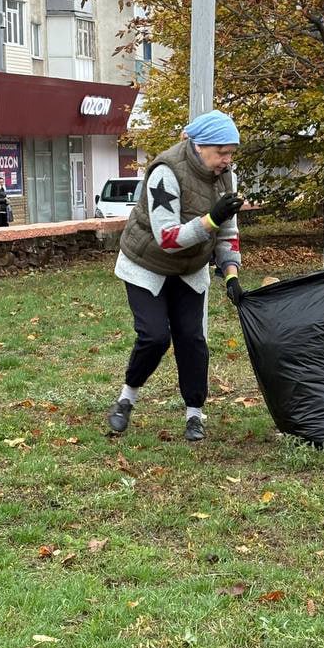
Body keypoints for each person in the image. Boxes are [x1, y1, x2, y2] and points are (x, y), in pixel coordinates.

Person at [106, 110, 244, 443]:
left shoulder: (227, 176)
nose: (226, 160)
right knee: (154, 336)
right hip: (146, 265)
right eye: (220, 152)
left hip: (189, 270)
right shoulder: (165, 173)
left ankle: (194, 414)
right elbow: (167, 239)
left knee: (192, 340)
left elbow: (228, 232)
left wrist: (231, 275)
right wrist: (211, 219)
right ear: (199, 146)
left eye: (230, 153)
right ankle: (127, 398)